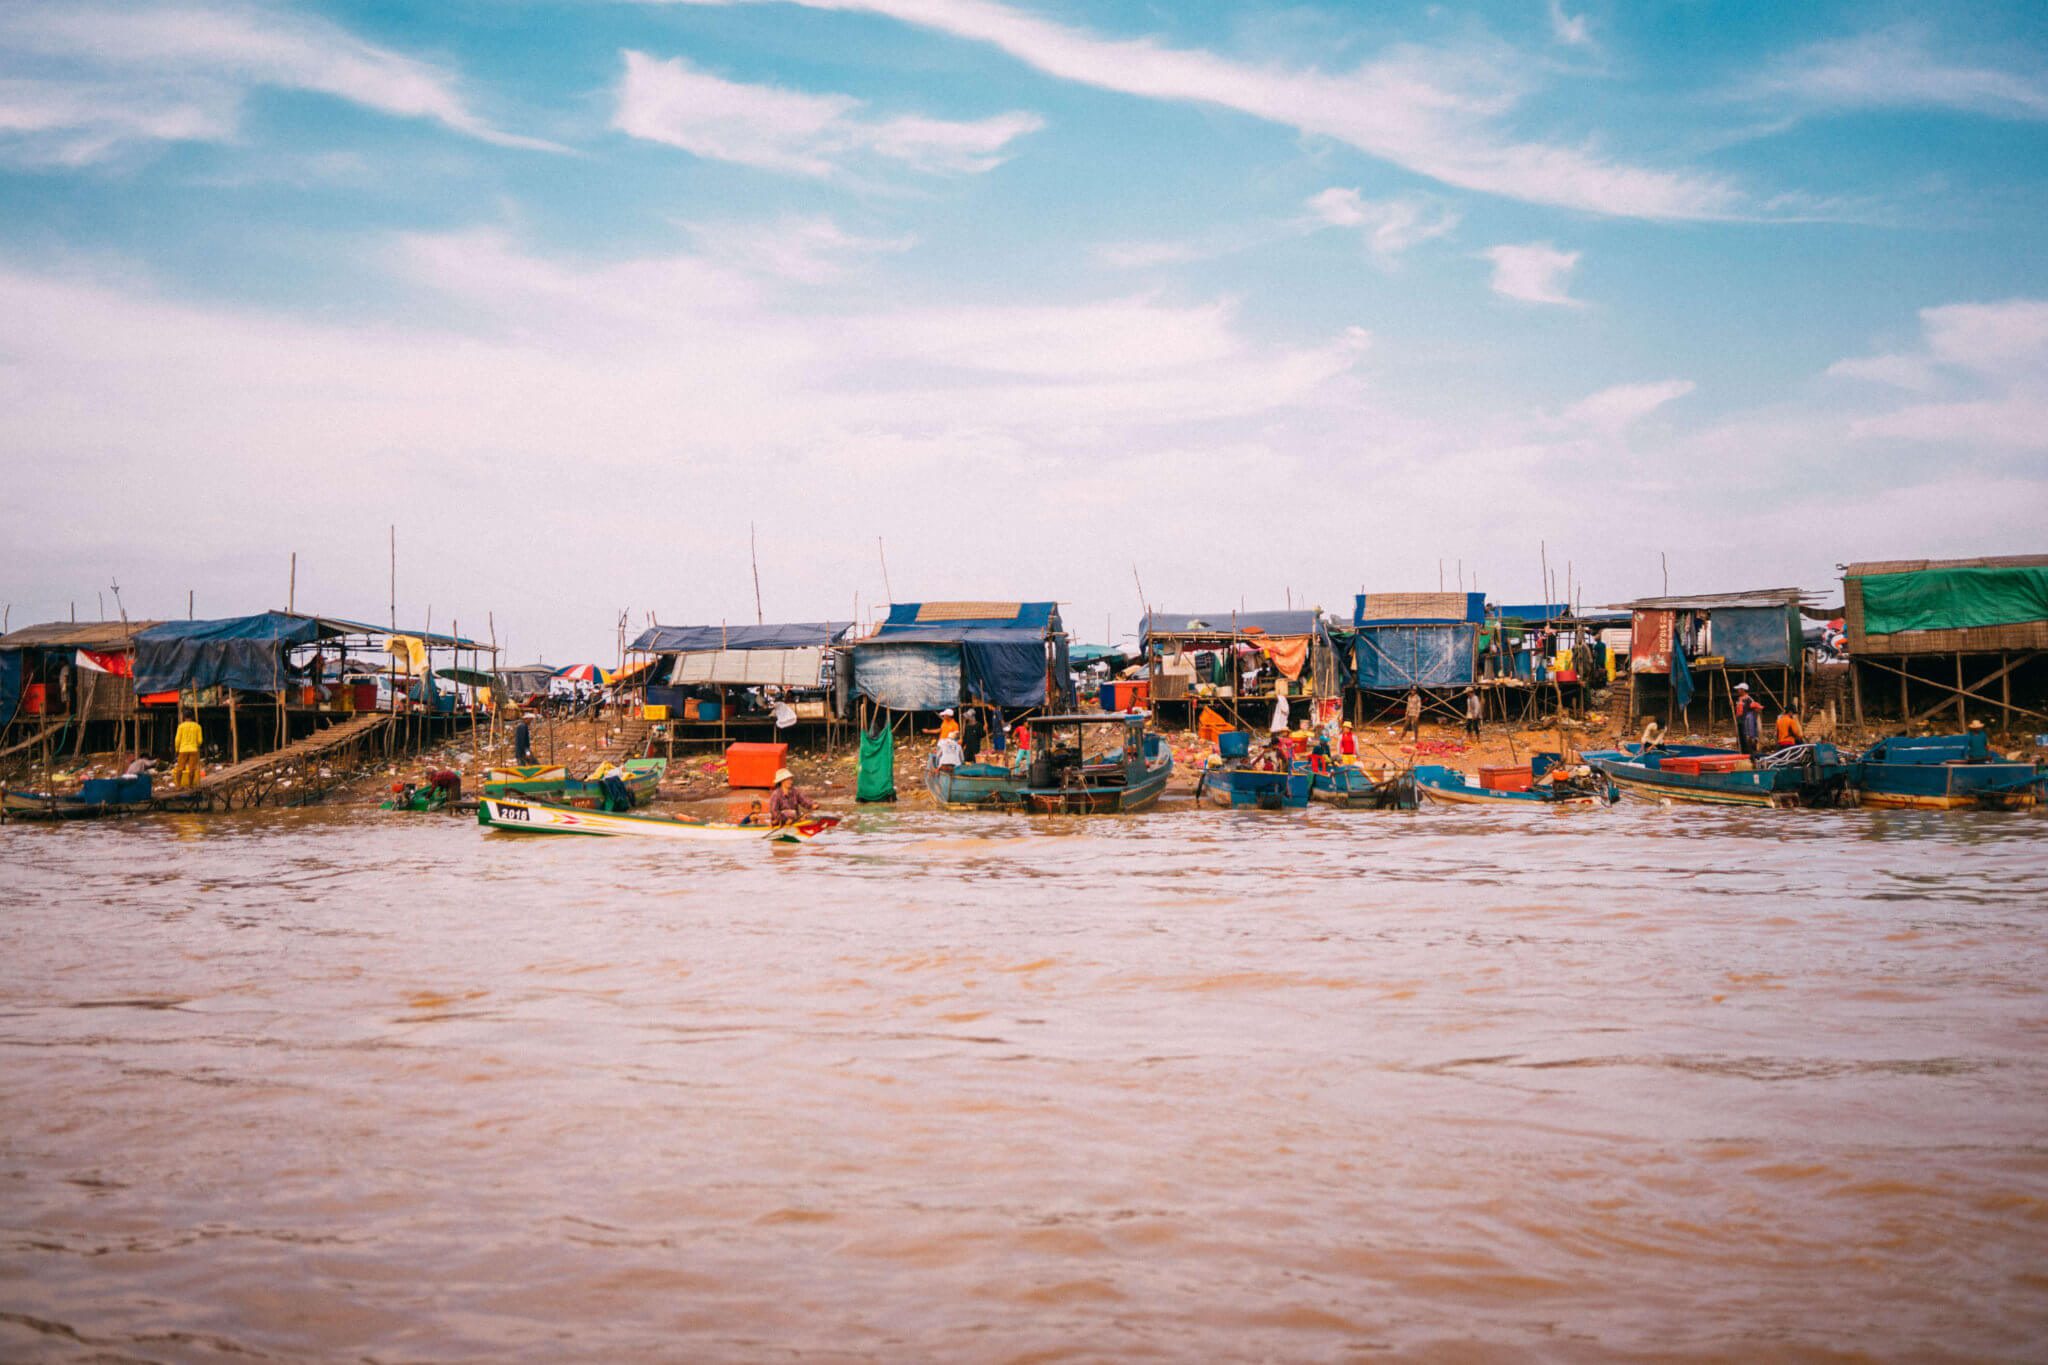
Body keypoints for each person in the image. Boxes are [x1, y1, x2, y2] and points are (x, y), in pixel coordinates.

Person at [173, 709, 204, 789]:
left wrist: (177, 749)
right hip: (193, 750)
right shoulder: (197, 726)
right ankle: (190, 785)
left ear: (184, 717)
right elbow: (200, 741)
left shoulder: (181, 726)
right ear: (192, 717)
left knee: (180, 768)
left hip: (183, 750)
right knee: (192, 769)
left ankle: (178, 786)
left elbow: (177, 740)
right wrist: (197, 745)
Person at [1733, 683, 1763, 757]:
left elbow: (1757, 708)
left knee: (1748, 741)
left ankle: (1750, 756)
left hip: (1746, 723)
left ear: (1743, 690)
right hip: (1740, 722)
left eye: (1739, 689)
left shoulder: (1749, 699)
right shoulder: (1739, 699)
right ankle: (1743, 755)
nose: (1737, 691)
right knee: (1741, 741)